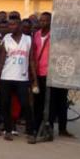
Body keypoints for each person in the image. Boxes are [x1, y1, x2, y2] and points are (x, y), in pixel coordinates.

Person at [30, 12, 72, 140]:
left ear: (50, 22)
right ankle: (38, 127)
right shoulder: (36, 35)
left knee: (52, 103)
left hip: (52, 73)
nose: (43, 23)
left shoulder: (55, 35)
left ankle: (51, 129)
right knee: (39, 102)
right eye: (41, 20)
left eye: (45, 21)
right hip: (39, 73)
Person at [0, 15, 36, 142]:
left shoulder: (28, 40)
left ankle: (30, 131)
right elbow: (1, 62)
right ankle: (8, 130)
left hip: (22, 78)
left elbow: (31, 60)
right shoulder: (6, 39)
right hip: (6, 77)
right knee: (5, 105)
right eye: (9, 25)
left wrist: (35, 80)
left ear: (20, 25)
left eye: (13, 24)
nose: (11, 27)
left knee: (26, 105)